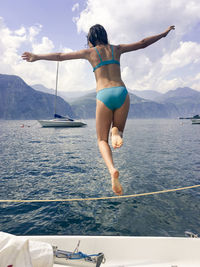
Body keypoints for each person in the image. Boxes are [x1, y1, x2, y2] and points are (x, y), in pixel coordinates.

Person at [22, 24, 175, 196]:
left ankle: (111, 170)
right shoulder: (117, 49)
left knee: (102, 140)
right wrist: (164, 33)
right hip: (122, 92)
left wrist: (37, 56)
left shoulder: (90, 52)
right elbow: (143, 43)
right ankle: (116, 131)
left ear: (91, 40)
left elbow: (60, 56)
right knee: (118, 131)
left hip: (104, 95)